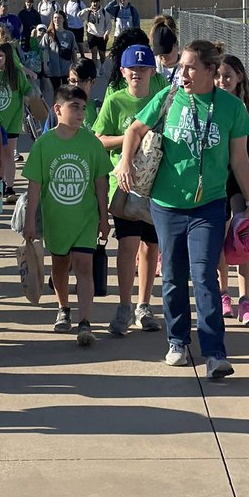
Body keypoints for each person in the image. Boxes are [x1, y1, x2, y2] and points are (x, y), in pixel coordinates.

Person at [114, 40, 249, 380]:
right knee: (175, 277)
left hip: (209, 205)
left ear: (210, 71)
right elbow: (134, 129)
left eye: (191, 67)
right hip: (166, 205)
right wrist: (124, 161)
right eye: (181, 67)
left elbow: (239, 159)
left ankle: (214, 353)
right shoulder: (168, 98)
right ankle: (177, 341)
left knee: (205, 277)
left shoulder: (231, 108)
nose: (183, 74)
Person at [23, 85, 111, 343]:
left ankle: (85, 322)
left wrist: (104, 218)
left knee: (84, 265)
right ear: (58, 109)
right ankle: (63, 309)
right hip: (56, 218)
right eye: (74, 107)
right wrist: (30, 222)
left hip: (86, 217)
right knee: (60, 265)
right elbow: (34, 186)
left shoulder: (91, 143)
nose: (81, 113)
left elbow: (101, 182)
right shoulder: (43, 144)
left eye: (83, 108)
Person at [93, 44, 164, 336]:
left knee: (151, 246)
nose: (137, 73)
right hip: (124, 184)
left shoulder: (161, 100)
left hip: (156, 185)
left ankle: (143, 305)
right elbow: (98, 138)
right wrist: (129, 139)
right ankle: (124, 305)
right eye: (131, 69)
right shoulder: (115, 101)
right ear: (123, 72)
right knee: (127, 244)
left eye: (143, 68)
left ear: (152, 71)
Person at [215, 53, 249, 325]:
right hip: (216, 181)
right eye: (218, 76)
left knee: (244, 237)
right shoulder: (210, 106)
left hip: (242, 183)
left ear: (239, 78)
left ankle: (245, 299)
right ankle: (223, 293)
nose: (222, 81)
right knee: (220, 238)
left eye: (227, 76)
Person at [0, 42, 31, 205]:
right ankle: (0, 182)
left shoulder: (16, 74)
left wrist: (27, 98)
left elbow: (27, 90)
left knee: (9, 153)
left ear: (8, 57)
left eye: (1, 56)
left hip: (12, 120)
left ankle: (9, 186)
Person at [42, 10, 77, 92]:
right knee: (56, 90)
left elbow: (74, 52)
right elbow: (45, 51)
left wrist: (75, 67)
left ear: (64, 19)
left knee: (67, 91)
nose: (57, 20)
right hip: (54, 68)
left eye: (59, 18)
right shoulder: (48, 35)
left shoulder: (70, 35)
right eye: (55, 18)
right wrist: (45, 66)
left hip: (67, 68)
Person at [83, 0, 110, 72]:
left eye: (96, 2)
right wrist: (87, 10)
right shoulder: (88, 12)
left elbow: (108, 24)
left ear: (99, 2)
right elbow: (79, 15)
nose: (95, 4)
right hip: (91, 34)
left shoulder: (104, 12)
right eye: (93, 2)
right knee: (93, 52)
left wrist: (106, 33)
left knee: (102, 53)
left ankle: (102, 66)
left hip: (101, 35)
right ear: (91, 3)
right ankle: (95, 69)